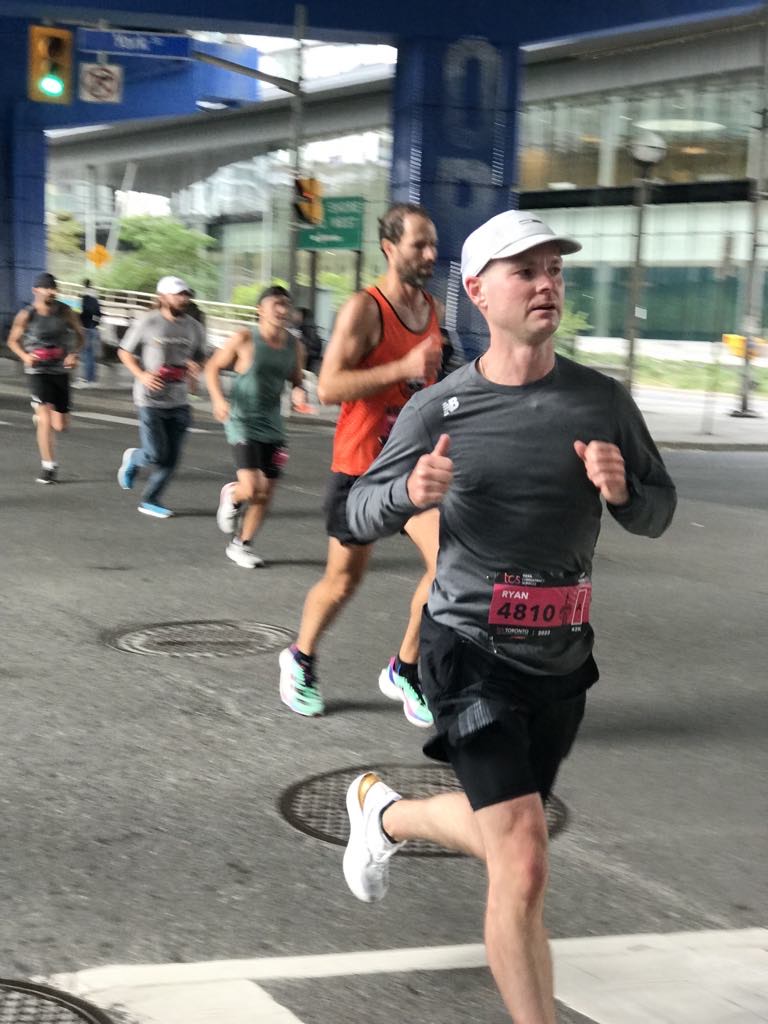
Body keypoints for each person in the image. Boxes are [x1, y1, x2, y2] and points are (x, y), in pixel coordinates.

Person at [340, 209, 677, 1024]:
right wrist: (406, 495)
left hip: (561, 657)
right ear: (480, 292)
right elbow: (355, 511)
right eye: (526, 271)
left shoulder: (602, 402)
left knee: (507, 840)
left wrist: (624, 491)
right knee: (523, 861)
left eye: (554, 269)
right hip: (468, 649)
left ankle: (384, 814)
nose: (547, 284)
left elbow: (660, 512)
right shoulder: (439, 411)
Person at [278, 202, 446, 724]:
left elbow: (427, 391)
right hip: (361, 469)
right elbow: (328, 387)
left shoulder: (431, 309)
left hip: (412, 470)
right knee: (344, 581)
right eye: (419, 243)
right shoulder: (364, 309)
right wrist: (401, 366)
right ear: (389, 248)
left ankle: (406, 667)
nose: (430, 253)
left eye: (432, 243)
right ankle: (300, 657)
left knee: (451, 569)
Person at [207, 285, 307, 568]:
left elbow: (296, 378)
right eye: (275, 303)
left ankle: (242, 545)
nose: (282, 309)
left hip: (273, 425)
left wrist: (300, 391)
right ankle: (233, 493)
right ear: (260, 310)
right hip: (243, 421)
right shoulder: (244, 338)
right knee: (252, 488)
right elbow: (212, 367)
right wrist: (217, 400)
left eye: (286, 304)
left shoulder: (294, 346)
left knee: (267, 491)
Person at [116, 276, 206, 519]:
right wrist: (142, 375)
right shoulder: (148, 322)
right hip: (150, 399)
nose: (183, 298)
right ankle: (134, 458)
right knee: (155, 453)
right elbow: (124, 352)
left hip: (179, 399)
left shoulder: (194, 327)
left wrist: (196, 368)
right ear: (162, 297)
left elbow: (199, 356)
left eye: (185, 294)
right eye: (178, 294)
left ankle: (151, 499)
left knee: (172, 457)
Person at [5, 272, 84, 483]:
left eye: (53, 288)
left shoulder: (65, 311)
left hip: (60, 370)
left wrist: (73, 354)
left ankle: (41, 416)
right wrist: (24, 356)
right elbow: (12, 341)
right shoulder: (26, 315)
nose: (52, 291)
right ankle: (48, 466)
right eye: (47, 288)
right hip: (38, 371)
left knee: (61, 426)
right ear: (36, 290)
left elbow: (80, 335)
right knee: (46, 419)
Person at [74, 278, 102, 387]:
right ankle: (92, 379)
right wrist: (95, 324)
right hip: (93, 328)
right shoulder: (95, 298)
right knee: (90, 355)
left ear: (83, 285)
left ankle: (87, 379)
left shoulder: (85, 298)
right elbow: (99, 313)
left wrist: (81, 321)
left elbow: (84, 312)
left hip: (86, 328)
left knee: (86, 355)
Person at [296, 307, 324, 375]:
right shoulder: (308, 331)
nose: (294, 316)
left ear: (303, 316)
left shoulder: (305, 332)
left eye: (297, 314)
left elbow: (309, 350)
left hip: (307, 367)